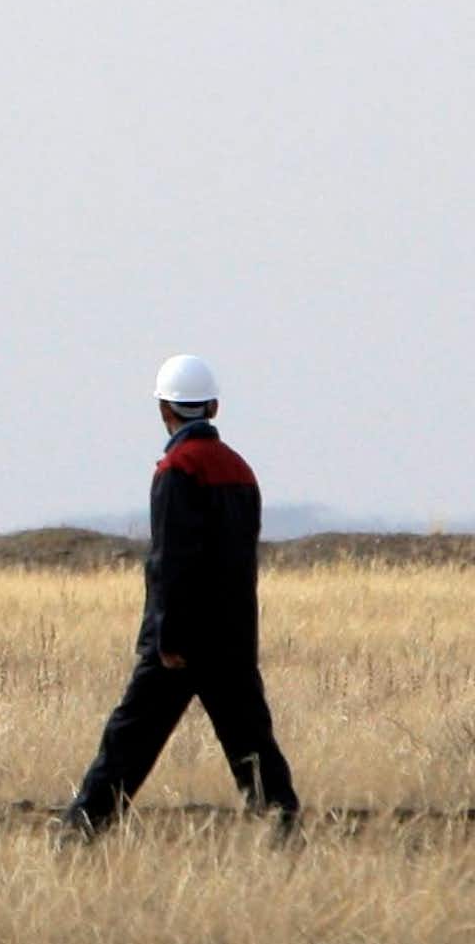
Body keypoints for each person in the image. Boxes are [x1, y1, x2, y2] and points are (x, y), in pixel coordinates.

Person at [58, 354, 300, 837]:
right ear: (213, 407)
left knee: (128, 741)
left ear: (164, 409)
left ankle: (80, 831)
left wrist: (167, 637)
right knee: (251, 743)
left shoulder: (177, 468)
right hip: (233, 637)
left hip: (182, 642)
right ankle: (283, 831)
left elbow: (172, 560)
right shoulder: (240, 469)